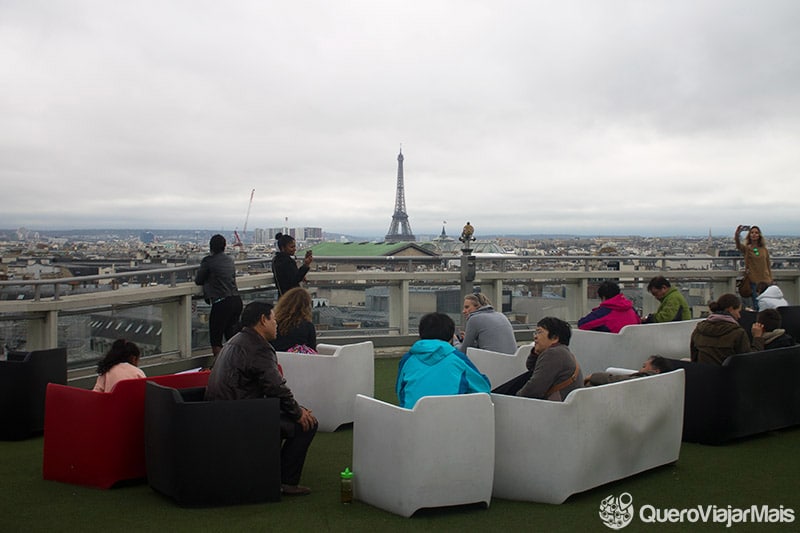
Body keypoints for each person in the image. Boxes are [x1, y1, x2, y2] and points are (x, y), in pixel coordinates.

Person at [205, 301, 318, 495]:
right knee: (306, 424)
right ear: (263, 320)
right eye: (273, 319)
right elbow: (275, 387)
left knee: (296, 414)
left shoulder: (234, 341)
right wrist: (298, 412)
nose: (277, 324)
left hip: (222, 412)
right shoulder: (259, 348)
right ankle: (285, 481)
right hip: (242, 415)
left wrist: (295, 409)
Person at [396, 312, 491, 409]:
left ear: (420, 334)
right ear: (451, 337)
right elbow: (483, 389)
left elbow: (400, 391)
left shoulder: (407, 359)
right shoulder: (458, 359)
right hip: (451, 421)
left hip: (412, 420)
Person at [492, 317, 583, 401]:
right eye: (535, 333)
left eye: (539, 332)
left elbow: (534, 389)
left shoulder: (554, 353)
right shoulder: (562, 352)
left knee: (502, 395)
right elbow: (532, 368)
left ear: (554, 337)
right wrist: (536, 352)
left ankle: (492, 398)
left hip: (554, 408)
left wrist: (514, 400)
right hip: (564, 405)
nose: (535, 336)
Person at [195, 234, 243, 360]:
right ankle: (235, 365)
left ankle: (219, 367)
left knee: (216, 339)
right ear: (224, 246)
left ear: (211, 247)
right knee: (232, 338)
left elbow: (198, 280)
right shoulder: (230, 260)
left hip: (221, 302)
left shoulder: (208, 261)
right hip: (236, 300)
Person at [690, 293, 764, 365]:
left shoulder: (699, 329)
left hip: (704, 375)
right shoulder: (737, 333)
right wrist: (757, 338)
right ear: (731, 309)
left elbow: (694, 358)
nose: (739, 316)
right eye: (738, 312)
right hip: (728, 376)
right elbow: (750, 361)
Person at [735, 225, 772, 311]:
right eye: (752, 232)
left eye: (756, 232)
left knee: (767, 303)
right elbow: (738, 246)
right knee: (757, 304)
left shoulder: (764, 249)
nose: (754, 234)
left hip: (765, 280)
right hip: (754, 280)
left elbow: (768, 264)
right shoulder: (747, 249)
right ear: (749, 235)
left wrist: (770, 277)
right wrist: (737, 234)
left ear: (759, 235)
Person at [272, 287, 317, 353]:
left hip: (276, 360)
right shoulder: (307, 326)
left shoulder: (274, 323)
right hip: (298, 361)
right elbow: (312, 349)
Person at [584, 355, 670, 386]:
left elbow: (616, 380)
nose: (641, 369)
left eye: (644, 366)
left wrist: (593, 377)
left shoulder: (644, 379)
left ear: (656, 371)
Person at [272, 233, 312, 298]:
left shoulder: (276, 260)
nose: (294, 249)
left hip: (283, 296)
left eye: (294, 246)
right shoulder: (286, 261)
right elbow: (295, 279)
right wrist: (306, 265)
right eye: (292, 247)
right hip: (290, 297)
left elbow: (290, 276)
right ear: (283, 248)